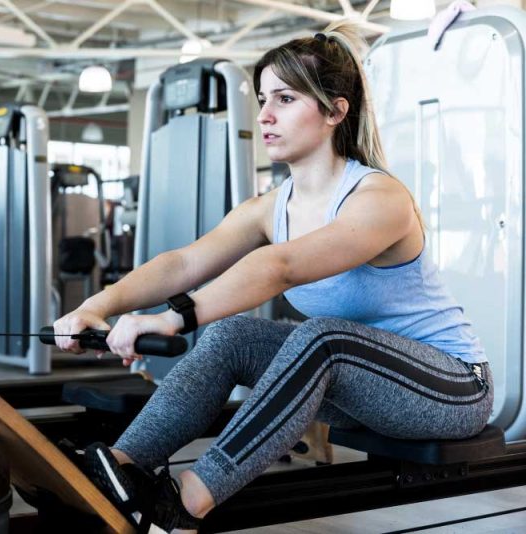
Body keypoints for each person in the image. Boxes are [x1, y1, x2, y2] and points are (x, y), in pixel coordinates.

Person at [52, 21, 493, 533]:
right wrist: (98, 307)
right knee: (231, 336)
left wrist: (174, 319)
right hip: (362, 388)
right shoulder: (269, 208)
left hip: (451, 389)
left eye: (284, 99)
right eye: (263, 98)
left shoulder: (379, 198)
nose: (264, 115)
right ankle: (119, 473)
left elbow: (278, 267)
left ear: (334, 111)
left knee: (323, 338)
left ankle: (184, 503)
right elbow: (183, 263)